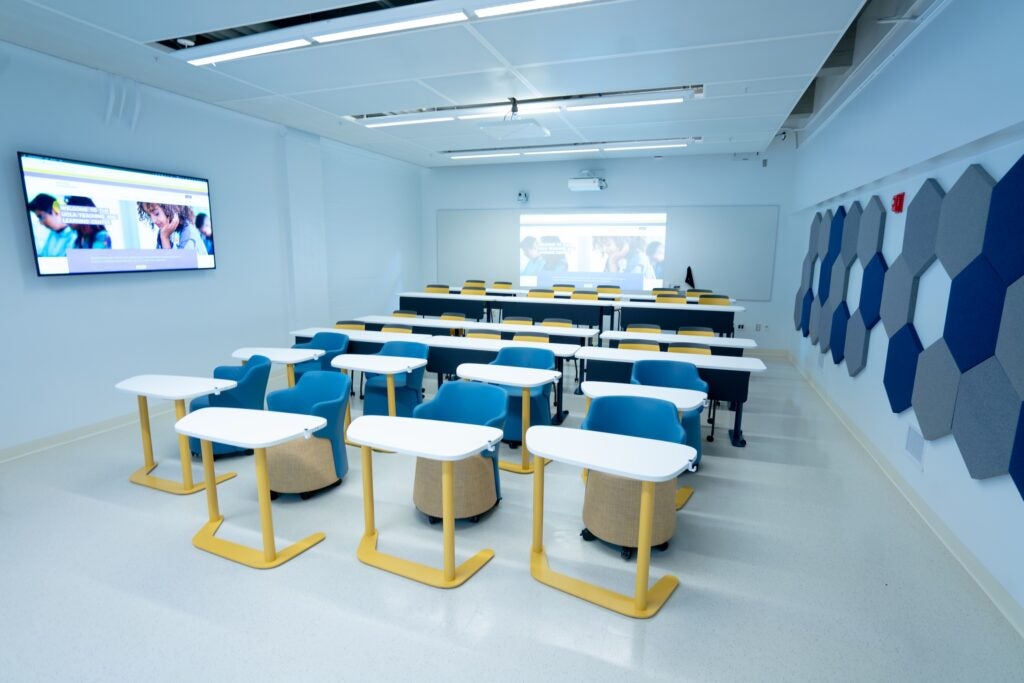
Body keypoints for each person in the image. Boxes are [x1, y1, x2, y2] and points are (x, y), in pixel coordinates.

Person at [137, 202, 208, 254]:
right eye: (149, 215)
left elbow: (177, 270)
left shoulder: (188, 233)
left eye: (156, 214)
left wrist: (165, 238)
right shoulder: (163, 230)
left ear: (170, 209)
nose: (153, 220)